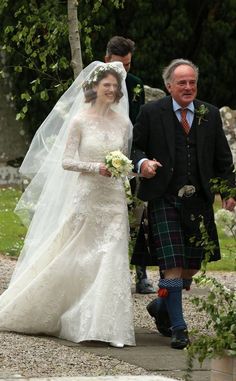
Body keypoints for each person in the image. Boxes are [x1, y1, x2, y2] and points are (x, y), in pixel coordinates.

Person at [0, 61, 135, 348]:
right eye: (106, 85)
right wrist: (95, 167)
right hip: (87, 196)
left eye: (115, 86)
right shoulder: (80, 121)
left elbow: (124, 160)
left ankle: (105, 326)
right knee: (76, 255)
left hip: (113, 200)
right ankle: (65, 312)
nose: (111, 90)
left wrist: (127, 169)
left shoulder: (124, 123)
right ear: (94, 88)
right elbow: (66, 161)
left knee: (111, 256)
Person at [131, 58, 235, 349]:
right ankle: (179, 327)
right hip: (164, 197)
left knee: (189, 269)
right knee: (172, 265)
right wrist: (143, 162)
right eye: (182, 83)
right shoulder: (152, 112)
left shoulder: (209, 114)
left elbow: (223, 161)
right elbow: (135, 146)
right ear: (169, 86)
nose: (188, 87)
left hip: (199, 201)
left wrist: (228, 191)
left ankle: (160, 306)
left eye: (192, 82)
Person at [105, 35, 155, 294]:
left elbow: (141, 123)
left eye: (127, 66)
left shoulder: (136, 85)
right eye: (119, 65)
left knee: (138, 216)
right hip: (103, 159)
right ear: (106, 60)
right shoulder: (96, 83)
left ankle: (141, 272)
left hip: (131, 158)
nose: (124, 71)